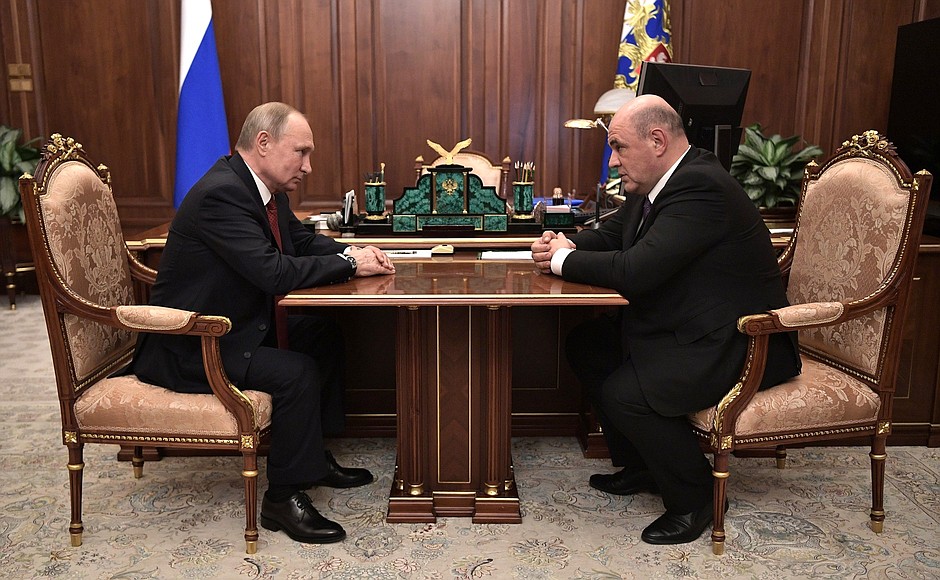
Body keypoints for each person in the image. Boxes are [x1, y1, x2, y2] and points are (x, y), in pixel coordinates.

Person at [531, 95, 801, 545]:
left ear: (657, 140)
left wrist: (561, 261)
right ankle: (644, 466)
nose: (613, 161)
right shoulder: (657, 183)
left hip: (739, 338)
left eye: (618, 147)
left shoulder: (701, 186)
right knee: (589, 344)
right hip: (686, 324)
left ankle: (697, 499)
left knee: (626, 393)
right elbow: (614, 234)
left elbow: (637, 270)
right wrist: (564, 243)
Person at [128, 101, 396, 544]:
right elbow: (272, 272)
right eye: (301, 152)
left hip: (235, 326)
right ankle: (282, 499)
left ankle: (312, 459)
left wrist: (356, 252)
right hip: (194, 342)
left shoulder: (261, 190)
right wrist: (350, 265)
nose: (308, 166)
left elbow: (301, 242)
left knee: (322, 333)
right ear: (264, 143)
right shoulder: (221, 195)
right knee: (296, 371)